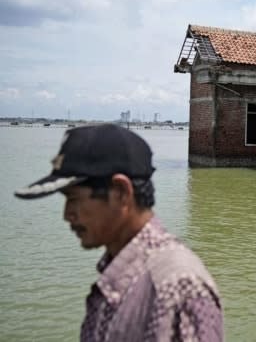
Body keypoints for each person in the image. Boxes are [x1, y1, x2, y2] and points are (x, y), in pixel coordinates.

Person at [15, 123, 223, 341]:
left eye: (73, 199)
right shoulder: (120, 273)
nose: (67, 215)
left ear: (121, 192)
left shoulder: (177, 286)